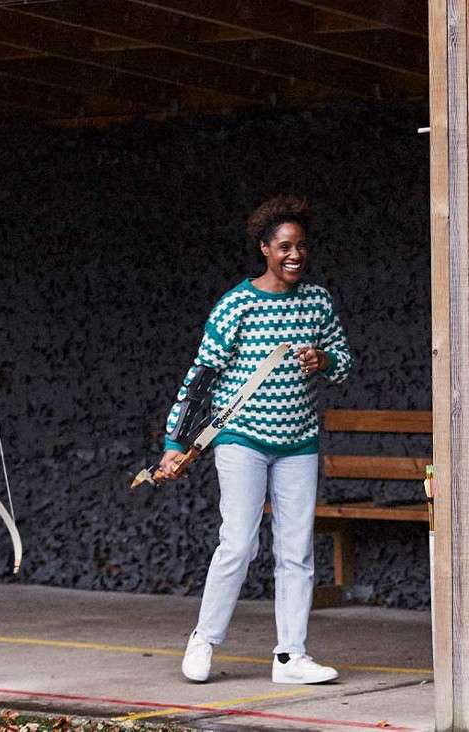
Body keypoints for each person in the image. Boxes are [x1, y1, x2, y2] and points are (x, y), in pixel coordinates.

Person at [161, 195, 354, 685]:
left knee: (297, 550)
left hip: (299, 442)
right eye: (284, 246)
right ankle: (204, 639)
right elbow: (201, 376)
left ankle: (291, 656)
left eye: (302, 246)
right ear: (265, 248)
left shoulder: (318, 301)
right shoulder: (238, 304)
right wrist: (173, 442)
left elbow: (344, 361)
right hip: (242, 438)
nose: (295, 255)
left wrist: (324, 361)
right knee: (239, 543)